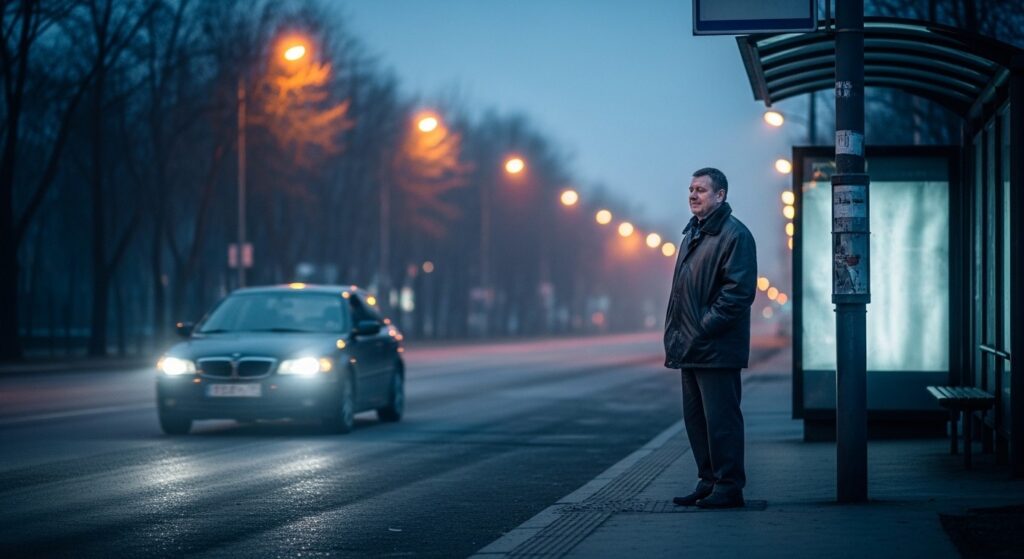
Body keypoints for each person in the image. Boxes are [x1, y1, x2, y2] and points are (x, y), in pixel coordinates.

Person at [664, 167, 757, 509]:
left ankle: (729, 486)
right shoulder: (694, 233)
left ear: (720, 195)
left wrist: (704, 327)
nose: (693, 194)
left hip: (715, 347)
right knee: (697, 421)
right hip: (691, 345)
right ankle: (709, 481)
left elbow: (738, 293)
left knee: (721, 421)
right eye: (691, 189)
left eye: (701, 190)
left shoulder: (734, 235)